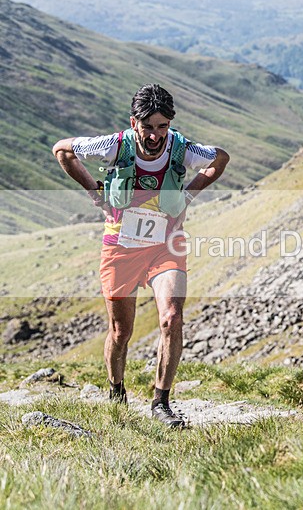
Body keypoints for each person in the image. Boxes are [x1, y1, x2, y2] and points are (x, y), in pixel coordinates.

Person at [53, 84, 230, 428]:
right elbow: (62, 150)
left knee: (172, 317)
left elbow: (220, 158)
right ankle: (116, 390)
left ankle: (161, 402)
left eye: (162, 127)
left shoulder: (181, 148)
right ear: (134, 122)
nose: (155, 135)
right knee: (121, 331)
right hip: (120, 247)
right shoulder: (114, 145)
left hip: (166, 245)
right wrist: (95, 193)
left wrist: (190, 196)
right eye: (148, 127)